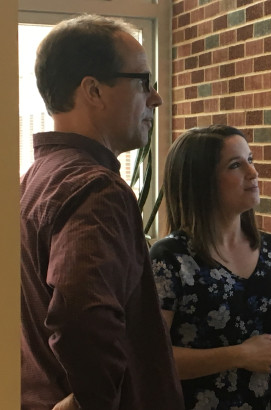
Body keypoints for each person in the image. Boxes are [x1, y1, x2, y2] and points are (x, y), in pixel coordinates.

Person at [20, 14, 184, 410]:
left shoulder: (35, 179)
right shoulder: (96, 188)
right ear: (93, 90)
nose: (156, 98)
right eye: (143, 82)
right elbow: (80, 317)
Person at [150, 125, 271, 409]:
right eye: (236, 165)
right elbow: (152, 360)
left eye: (251, 160)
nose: (253, 173)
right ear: (201, 181)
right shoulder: (170, 258)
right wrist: (238, 355)